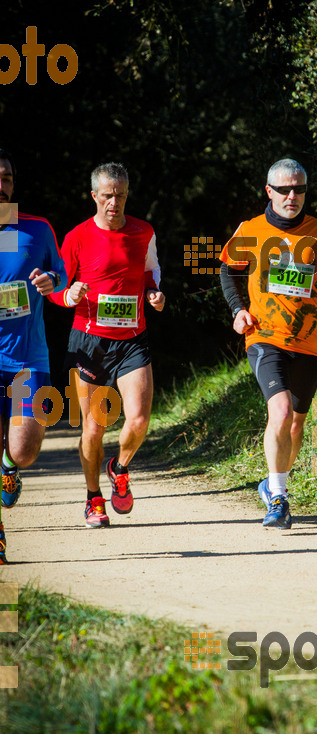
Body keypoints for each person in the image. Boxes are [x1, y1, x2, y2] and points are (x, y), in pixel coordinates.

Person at [219, 158, 317, 529]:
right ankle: (279, 498)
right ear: (269, 192)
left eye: (298, 190)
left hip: (309, 341)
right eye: (284, 189)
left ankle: (271, 482)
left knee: (295, 425)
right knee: (278, 413)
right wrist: (237, 310)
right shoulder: (252, 230)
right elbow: (228, 271)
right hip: (263, 337)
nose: (291, 196)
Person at [48, 162, 165, 527]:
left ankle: (120, 467)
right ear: (95, 196)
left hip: (132, 339)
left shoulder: (144, 231)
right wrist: (69, 294)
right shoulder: (77, 237)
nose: (114, 202)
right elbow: (53, 287)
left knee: (140, 419)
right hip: (91, 342)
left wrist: (154, 293)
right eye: (108, 195)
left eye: (121, 195)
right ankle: (93, 497)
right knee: (95, 428)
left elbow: (151, 270)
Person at [0, 147, 67, 563]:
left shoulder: (36, 228)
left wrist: (50, 280)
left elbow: (59, 273)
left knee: (24, 448)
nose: (0, 185)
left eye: (6, 177)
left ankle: (9, 467)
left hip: (27, 359)